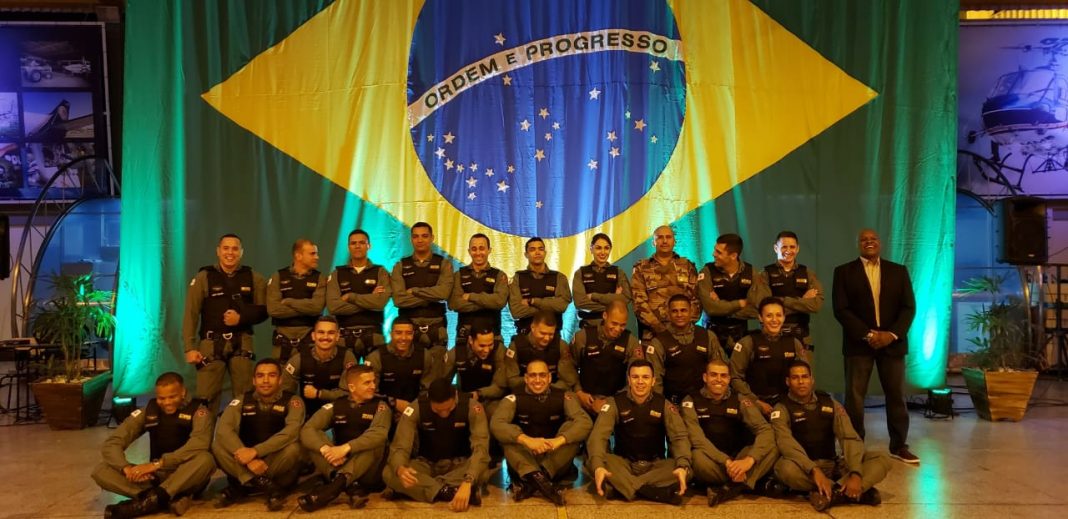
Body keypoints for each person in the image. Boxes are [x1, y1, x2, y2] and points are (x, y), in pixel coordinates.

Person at [832, 228, 918, 464]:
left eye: (873, 239)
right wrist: (868, 334)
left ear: (880, 243)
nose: (869, 242)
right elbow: (841, 309)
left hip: (893, 345)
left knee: (896, 396)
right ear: (858, 244)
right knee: (854, 399)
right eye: (864, 239)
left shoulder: (898, 271)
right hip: (859, 344)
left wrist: (891, 335)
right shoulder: (843, 272)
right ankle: (854, 447)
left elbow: (908, 307)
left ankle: (899, 446)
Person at [771, 360, 890, 511]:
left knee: (882, 458)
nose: (801, 382)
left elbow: (849, 438)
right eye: (795, 378)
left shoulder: (830, 403)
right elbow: (786, 444)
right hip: (803, 469)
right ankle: (849, 492)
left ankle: (834, 493)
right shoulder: (781, 408)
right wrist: (814, 470)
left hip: (833, 466)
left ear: (812, 380)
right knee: (783, 469)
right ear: (788, 382)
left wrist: (855, 473)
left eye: (805, 377)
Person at [92, 373, 215, 519]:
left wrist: (157, 464)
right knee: (101, 470)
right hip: (156, 477)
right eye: (162, 398)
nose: (167, 402)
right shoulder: (149, 411)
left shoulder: (199, 411)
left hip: (186, 474)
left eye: (172, 397)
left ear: (183, 392)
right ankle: (156, 499)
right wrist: (126, 468)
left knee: (206, 460)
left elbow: (199, 444)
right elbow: (113, 442)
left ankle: (152, 499)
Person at [182, 233, 268, 413]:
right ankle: (205, 432)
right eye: (226, 248)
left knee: (245, 398)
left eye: (235, 249)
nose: (230, 253)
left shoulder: (254, 277)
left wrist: (241, 318)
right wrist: (189, 347)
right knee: (206, 398)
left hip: (242, 342)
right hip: (210, 343)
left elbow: (264, 311)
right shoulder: (204, 277)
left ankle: (240, 432)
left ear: (241, 252)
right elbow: (191, 313)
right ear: (218, 251)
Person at [587, 360, 691, 505]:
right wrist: (598, 466)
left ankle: (625, 488)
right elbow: (599, 436)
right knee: (594, 462)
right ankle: (651, 492)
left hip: (655, 466)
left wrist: (682, 465)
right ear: (629, 380)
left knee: (686, 469)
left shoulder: (664, 405)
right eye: (635, 377)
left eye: (645, 377)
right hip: (624, 464)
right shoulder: (614, 403)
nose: (640, 382)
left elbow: (679, 437)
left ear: (653, 381)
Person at [490, 360, 592, 505]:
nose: (537, 380)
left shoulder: (563, 396)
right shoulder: (513, 398)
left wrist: (558, 441)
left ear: (549, 378)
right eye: (533, 375)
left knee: (572, 430)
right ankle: (545, 485)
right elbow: (496, 423)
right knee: (508, 436)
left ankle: (532, 482)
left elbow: (585, 422)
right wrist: (527, 440)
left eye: (542, 375)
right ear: (526, 378)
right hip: (525, 457)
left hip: (554, 458)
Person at [383, 378, 490, 511]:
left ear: (455, 396)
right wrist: (401, 469)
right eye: (437, 410)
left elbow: (481, 448)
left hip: (459, 465)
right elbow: (400, 446)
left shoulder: (472, 407)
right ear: (429, 400)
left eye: (449, 409)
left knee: (482, 472)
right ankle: (448, 492)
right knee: (389, 472)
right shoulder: (415, 408)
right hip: (426, 464)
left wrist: (468, 480)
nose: (444, 414)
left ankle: (425, 489)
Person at [682, 359, 777, 507]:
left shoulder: (740, 400)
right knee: (695, 457)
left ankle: (727, 488)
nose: (719, 379)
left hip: (739, 459)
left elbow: (765, 429)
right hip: (712, 461)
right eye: (714, 375)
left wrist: (749, 460)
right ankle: (741, 483)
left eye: (723, 375)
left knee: (773, 446)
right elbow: (697, 439)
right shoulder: (690, 401)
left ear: (729, 378)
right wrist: (726, 461)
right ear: (705, 377)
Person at [212, 359, 304, 511]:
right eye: (260, 376)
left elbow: (291, 432)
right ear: (254, 380)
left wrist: (256, 452)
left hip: (274, 461)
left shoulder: (293, 401)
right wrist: (248, 459)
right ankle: (267, 486)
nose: (265, 380)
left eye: (272, 375)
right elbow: (223, 429)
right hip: (245, 459)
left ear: (280, 380)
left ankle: (244, 483)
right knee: (217, 446)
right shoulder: (241, 400)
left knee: (294, 448)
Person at [298, 364, 392, 511]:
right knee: (314, 440)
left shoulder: (381, 407)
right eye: (367, 383)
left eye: (374, 381)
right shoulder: (336, 405)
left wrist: (345, 448)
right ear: (352, 387)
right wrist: (326, 450)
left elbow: (378, 434)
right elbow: (307, 429)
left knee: (373, 443)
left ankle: (332, 489)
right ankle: (350, 486)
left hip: (370, 471)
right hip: (339, 463)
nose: (373, 386)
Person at [729, 297, 808, 416]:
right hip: (754, 404)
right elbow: (735, 378)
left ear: (784, 317)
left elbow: (805, 376)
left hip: (787, 404)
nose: (774, 320)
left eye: (778, 315)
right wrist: (756, 402)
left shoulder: (794, 343)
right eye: (769, 316)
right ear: (760, 317)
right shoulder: (747, 343)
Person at [569, 299, 643, 415]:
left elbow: (635, 377)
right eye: (614, 323)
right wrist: (578, 391)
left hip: (616, 401)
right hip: (583, 397)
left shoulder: (631, 343)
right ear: (605, 316)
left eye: (622, 325)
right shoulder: (582, 337)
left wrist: (611, 402)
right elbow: (569, 366)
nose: (617, 329)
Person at [697, 233, 768, 354]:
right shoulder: (707, 272)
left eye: (719, 252)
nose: (713, 254)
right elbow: (710, 308)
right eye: (715, 250)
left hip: (741, 336)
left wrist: (721, 306)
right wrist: (740, 303)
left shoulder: (751, 273)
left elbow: (758, 309)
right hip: (712, 336)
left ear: (733, 256)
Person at [646, 294, 724, 403]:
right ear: (668, 313)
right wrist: (661, 405)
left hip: (705, 401)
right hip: (673, 403)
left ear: (691, 311)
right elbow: (655, 381)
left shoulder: (708, 336)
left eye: (683, 310)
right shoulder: (658, 342)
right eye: (674, 311)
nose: (679, 315)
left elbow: (720, 371)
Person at [391, 222, 453, 357]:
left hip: (437, 328)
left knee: (437, 369)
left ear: (432, 238)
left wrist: (414, 291)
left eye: (424, 236)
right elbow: (398, 300)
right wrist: (431, 296)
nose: (420, 240)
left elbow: (443, 293)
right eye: (416, 236)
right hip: (408, 330)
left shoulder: (444, 264)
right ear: (411, 239)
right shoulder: (400, 266)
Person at [326, 229, 391, 359]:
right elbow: (333, 307)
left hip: (374, 335)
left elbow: (379, 303)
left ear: (369, 246)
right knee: (345, 372)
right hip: (344, 336)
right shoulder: (337, 273)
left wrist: (351, 297)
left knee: (374, 372)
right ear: (348, 247)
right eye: (353, 243)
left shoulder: (380, 271)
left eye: (362, 242)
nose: (357, 246)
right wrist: (369, 300)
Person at [631, 225, 700, 341]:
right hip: (654, 334)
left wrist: (685, 325)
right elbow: (639, 303)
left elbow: (696, 299)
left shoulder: (687, 265)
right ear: (653, 242)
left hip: (685, 333)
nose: (664, 241)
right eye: (660, 237)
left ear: (674, 241)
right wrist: (659, 328)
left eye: (668, 237)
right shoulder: (641, 268)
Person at [282, 316, 358, 419]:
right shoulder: (299, 358)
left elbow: (350, 393)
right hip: (307, 413)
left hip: (340, 412)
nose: (325, 337)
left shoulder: (347, 357)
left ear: (337, 336)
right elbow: (285, 393)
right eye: (321, 332)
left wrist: (320, 394)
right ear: (313, 336)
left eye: (331, 333)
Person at [762, 231, 823, 351]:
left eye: (792, 247)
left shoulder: (808, 274)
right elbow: (765, 309)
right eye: (784, 247)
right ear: (775, 248)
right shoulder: (765, 274)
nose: (788, 250)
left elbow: (816, 305)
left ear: (798, 248)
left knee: (804, 364)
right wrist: (803, 300)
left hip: (801, 337)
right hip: (771, 337)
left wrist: (779, 301)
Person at [266, 238, 326, 360]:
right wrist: (306, 308)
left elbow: (317, 307)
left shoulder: (319, 278)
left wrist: (289, 302)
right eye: (312, 254)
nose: (317, 257)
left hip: (309, 338)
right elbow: (273, 309)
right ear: (298, 256)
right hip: (282, 341)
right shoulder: (278, 276)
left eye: (316, 253)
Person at [364, 318, 436, 415]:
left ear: (413, 334)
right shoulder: (376, 357)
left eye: (408, 333)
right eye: (398, 333)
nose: (403, 338)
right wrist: (394, 402)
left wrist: (413, 408)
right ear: (391, 333)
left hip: (415, 407)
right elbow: (369, 393)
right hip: (384, 407)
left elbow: (428, 390)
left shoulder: (424, 355)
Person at [448, 233, 508, 347]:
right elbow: (454, 303)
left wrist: (471, 297)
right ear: (469, 251)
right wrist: (488, 302)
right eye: (474, 249)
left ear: (489, 250)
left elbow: (499, 302)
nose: (478, 252)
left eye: (482, 248)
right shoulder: (458, 275)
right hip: (465, 338)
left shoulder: (499, 275)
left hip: (492, 338)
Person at [508, 236, 572, 336]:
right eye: (532, 249)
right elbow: (516, 311)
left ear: (545, 253)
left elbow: (562, 306)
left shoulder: (559, 277)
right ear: (526, 254)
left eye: (541, 249)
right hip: (525, 335)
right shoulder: (518, 278)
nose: (537, 252)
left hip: (552, 336)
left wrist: (533, 301)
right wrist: (550, 305)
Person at [442, 327, 510, 418]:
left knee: (496, 414)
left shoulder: (499, 351)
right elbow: (442, 383)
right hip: (464, 397)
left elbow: (500, 387)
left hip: (491, 399)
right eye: (482, 345)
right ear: (471, 340)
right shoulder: (457, 353)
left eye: (490, 344)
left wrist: (479, 394)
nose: (486, 350)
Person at [504, 311, 578, 393]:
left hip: (553, 392)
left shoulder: (561, 346)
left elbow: (568, 381)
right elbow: (511, 381)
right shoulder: (515, 346)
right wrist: (535, 386)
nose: (547, 338)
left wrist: (545, 388)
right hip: (523, 392)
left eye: (551, 334)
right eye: (543, 333)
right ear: (533, 327)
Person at [572, 233, 631, 328]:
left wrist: (594, 296)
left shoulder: (618, 273)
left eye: (606, 248)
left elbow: (626, 298)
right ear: (591, 249)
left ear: (610, 250)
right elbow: (580, 303)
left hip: (613, 328)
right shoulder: (580, 273)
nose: (603, 252)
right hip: (588, 326)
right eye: (598, 248)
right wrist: (614, 301)